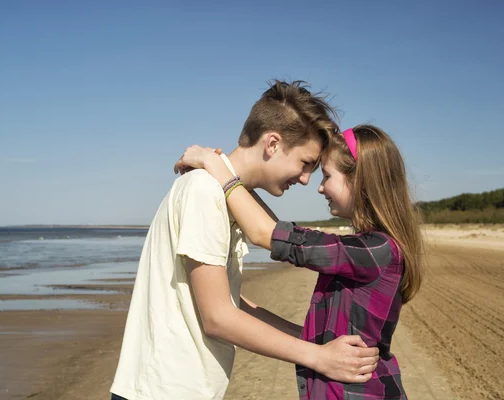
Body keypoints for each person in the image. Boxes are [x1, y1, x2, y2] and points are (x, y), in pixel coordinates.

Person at [110, 81, 379, 400]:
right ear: (273, 144)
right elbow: (218, 318)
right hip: (162, 390)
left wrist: (314, 341)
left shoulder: (222, 194)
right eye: (305, 163)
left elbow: (230, 302)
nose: (306, 180)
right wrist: (318, 358)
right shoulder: (204, 191)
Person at [175, 124, 425, 399]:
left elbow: (265, 233)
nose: (319, 187)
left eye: (326, 176)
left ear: (359, 180)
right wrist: (225, 171)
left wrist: (216, 166)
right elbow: (275, 229)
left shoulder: (376, 250)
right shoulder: (370, 248)